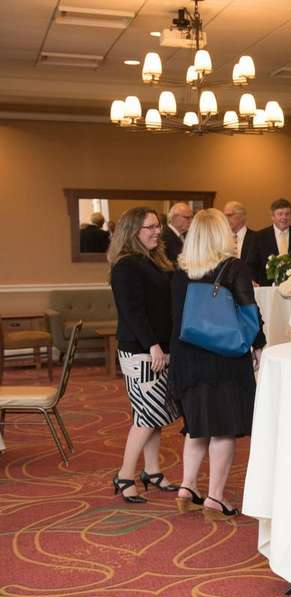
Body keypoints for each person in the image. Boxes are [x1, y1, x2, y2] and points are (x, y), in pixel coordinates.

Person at [169, 209, 266, 520]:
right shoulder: (233, 267)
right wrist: (258, 344)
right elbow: (249, 310)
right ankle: (215, 497)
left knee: (196, 426)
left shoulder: (180, 271)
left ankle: (186, 488)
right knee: (223, 429)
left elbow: (175, 319)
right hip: (222, 359)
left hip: (187, 359)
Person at [107, 207, 178, 503]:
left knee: (155, 413)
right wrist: (152, 345)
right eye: (150, 227)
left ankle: (152, 470)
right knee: (146, 415)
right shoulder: (126, 265)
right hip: (140, 351)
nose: (157, 231)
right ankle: (124, 475)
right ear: (133, 231)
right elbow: (132, 312)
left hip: (157, 349)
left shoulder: (153, 260)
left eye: (158, 226)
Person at [255, 198, 291, 285]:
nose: (284, 217)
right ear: (272, 217)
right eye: (280, 214)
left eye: (287, 214)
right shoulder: (259, 237)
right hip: (267, 287)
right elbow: (252, 264)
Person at [223, 201, 260, 282]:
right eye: (224, 216)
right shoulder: (221, 239)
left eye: (229, 215)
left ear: (242, 216)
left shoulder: (257, 238)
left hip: (250, 284)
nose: (226, 219)